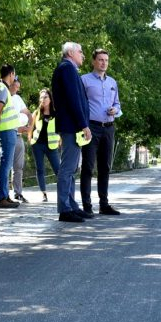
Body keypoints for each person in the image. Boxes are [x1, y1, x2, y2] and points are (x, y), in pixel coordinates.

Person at [50, 42, 93, 223]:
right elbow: (73, 99)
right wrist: (83, 124)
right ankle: (64, 209)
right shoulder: (66, 69)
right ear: (70, 53)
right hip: (71, 126)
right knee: (67, 168)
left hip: (72, 125)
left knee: (72, 168)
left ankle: (72, 206)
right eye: (80, 51)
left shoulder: (69, 69)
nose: (83, 55)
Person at [80, 48, 121, 215]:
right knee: (88, 167)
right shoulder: (84, 80)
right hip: (91, 127)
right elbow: (80, 105)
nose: (104, 63)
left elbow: (118, 104)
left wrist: (115, 110)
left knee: (105, 167)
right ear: (93, 62)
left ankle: (104, 204)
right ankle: (87, 206)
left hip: (109, 128)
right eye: (101, 60)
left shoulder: (112, 82)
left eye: (106, 60)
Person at [0, 64, 21, 209]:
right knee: (5, 165)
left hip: (9, 131)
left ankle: (5, 196)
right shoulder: (2, 89)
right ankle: (2, 198)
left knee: (6, 165)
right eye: (14, 75)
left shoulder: (3, 89)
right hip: (6, 132)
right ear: (11, 74)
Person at [29, 88, 61, 202]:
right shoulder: (37, 113)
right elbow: (30, 127)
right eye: (41, 97)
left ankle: (63, 191)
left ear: (50, 99)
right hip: (37, 144)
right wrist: (30, 139)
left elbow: (60, 128)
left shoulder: (56, 113)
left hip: (52, 146)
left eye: (45, 97)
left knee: (59, 170)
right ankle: (44, 193)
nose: (43, 99)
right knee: (40, 169)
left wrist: (60, 140)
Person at [8, 77, 32, 204]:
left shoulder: (17, 98)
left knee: (18, 167)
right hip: (7, 135)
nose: (17, 90)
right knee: (5, 166)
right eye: (15, 87)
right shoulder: (3, 97)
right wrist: (18, 128)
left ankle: (18, 193)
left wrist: (29, 126)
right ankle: (3, 195)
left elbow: (27, 112)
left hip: (18, 137)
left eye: (18, 87)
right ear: (9, 84)